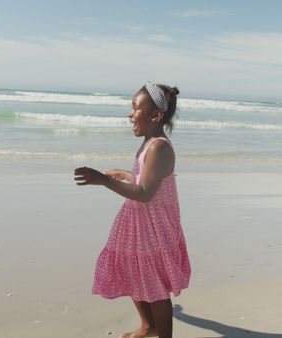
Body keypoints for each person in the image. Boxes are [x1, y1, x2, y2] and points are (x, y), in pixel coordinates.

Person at [74, 82, 191, 338]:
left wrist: (105, 180)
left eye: (135, 108)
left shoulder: (160, 146)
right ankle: (148, 326)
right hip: (138, 222)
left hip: (154, 225)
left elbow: (146, 193)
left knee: (156, 286)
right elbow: (148, 179)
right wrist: (127, 174)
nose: (130, 114)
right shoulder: (150, 142)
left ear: (155, 115)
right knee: (132, 269)